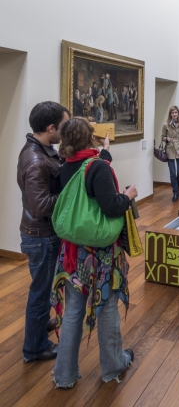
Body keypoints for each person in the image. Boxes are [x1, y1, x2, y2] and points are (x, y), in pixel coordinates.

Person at [51, 117, 138, 389]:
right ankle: (113, 364)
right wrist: (129, 195)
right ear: (90, 136)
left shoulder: (66, 165)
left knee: (74, 309)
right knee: (107, 305)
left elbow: (91, 174)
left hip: (73, 252)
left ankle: (64, 375)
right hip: (100, 254)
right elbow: (111, 206)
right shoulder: (97, 166)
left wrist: (106, 150)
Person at [17, 101, 70, 363]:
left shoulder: (41, 150)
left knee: (44, 290)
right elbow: (41, 206)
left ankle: (38, 329)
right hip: (41, 237)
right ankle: (35, 348)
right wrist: (71, 196)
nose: (65, 130)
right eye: (63, 125)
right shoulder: (36, 160)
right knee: (40, 293)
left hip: (42, 235)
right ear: (51, 128)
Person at [161, 106, 179, 202]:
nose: (174, 114)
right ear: (170, 114)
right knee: (172, 173)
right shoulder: (166, 125)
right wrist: (166, 139)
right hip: (170, 149)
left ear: (178, 113)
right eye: (172, 112)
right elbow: (162, 137)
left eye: (176, 112)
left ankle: (177, 189)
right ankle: (175, 192)